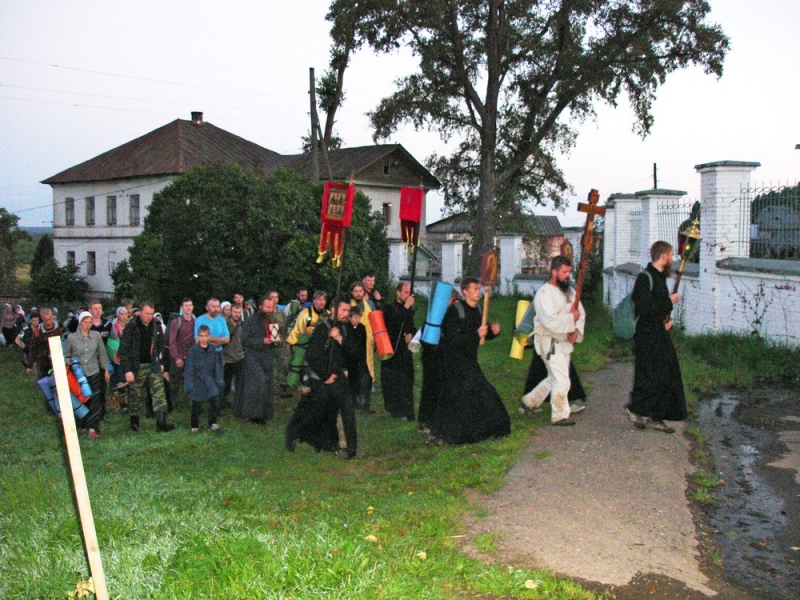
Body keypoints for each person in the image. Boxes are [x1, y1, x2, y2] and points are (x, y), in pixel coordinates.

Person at [431, 277, 510, 444]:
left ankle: (483, 429)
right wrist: (476, 334)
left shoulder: (479, 309)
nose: (478, 292)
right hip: (454, 361)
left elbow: (483, 333)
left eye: (479, 288)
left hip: (470, 360)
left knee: (471, 394)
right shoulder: (456, 311)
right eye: (474, 289)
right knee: (461, 395)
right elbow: (453, 339)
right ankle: (453, 434)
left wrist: (492, 332)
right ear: (465, 291)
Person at [625, 241, 688, 433]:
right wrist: (669, 301)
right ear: (663, 257)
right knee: (650, 374)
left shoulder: (659, 277)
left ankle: (655, 415)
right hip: (647, 334)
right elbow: (644, 307)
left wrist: (665, 320)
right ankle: (635, 408)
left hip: (658, 331)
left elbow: (657, 306)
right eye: (670, 255)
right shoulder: (645, 278)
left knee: (665, 373)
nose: (672, 259)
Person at [285, 298, 357, 458]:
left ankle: (351, 450)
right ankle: (296, 435)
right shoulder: (322, 330)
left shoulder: (346, 330)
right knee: (319, 411)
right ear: (333, 310)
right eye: (343, 310)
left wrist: (339, 340)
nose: (347, 314)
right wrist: (326, 375)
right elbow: (313, 356)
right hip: (322, 378)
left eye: (348, 311)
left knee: (347, 411)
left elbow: (353, 352)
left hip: (340, 377)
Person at [520, 256, 586, 426]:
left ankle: (529, 402)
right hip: (549, 342)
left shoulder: (569, 291)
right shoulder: (544, 294)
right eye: (564, 272)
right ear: (554, 271)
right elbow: (549, 321)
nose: (567, 275)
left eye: (569, 272)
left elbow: (580, 313)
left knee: (553, 378)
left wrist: (576, 331)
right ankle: (560, 415)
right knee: (562, 380)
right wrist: (571, 319)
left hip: (565, 342)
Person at [119, 301, 175, 432]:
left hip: (153, 365)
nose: (149, 316)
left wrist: (161, 363)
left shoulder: (156, 326)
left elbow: (161, 345)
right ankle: (134, 422)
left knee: (159, 393)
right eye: (146, 313)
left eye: (151, 313)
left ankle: (161, 423)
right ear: (140, 313)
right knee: (135, 395)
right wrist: (127, 370)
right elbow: (124, 350)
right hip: (137, 366)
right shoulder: (132, 326)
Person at [65, 311, 110, 439]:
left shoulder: (96, 335)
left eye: (90, 322)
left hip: (94, 371)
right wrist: (68, 360)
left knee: (95, 399)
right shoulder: (72, 338)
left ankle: (93, 428)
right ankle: (82, 423)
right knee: (81, 399)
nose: (88, 325)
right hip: (78, 374)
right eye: (85, 322)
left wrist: (105, 369)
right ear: (80, 322)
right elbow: (67, 354)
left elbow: (102, 353)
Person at [235, 295, 279, 424]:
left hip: (267, 357)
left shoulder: (272, 320)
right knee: (257, 384)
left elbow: (275, 340)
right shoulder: (249, 321)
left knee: (267, 384)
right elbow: (244, 339)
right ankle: (254, 415)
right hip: (252, 356)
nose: (269, 309)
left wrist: (276, 342)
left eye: (271, 307)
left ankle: (265, 413)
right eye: (267, 307)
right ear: (260, 307)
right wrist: (261, 341)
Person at [381, 282, 416, 420]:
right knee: (395, 381)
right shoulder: (390, 308)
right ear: (398, 292)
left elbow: (410, 326)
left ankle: (408, 411)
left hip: (405, 351)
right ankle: (397, 411)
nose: (407, 296)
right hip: (393, 348)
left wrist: (411, 335)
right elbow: (394, 323)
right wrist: (406, 307)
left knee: (407, 380)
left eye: (409, 293)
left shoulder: (409, 309)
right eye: (405, 292)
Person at [184, 324, 224, 433]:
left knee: (215, 401)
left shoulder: (212, 349)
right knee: (196, 404)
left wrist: (219, 379)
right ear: (198, 336)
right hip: (198, 380)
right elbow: (189, 368)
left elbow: (216, 365)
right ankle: (194, 426)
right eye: (201, 336)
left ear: (209, 337)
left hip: (210, 380)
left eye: (205, 336)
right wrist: (189, 384)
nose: (203, 338)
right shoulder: (193, 351)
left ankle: (212, 422)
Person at [342, 305, 373, 413]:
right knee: (352, 383)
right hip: (349, 361)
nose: (357, 320)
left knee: (366, 380)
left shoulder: (362, 328)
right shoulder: (345, 328)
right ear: (350, 317)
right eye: (355, 317)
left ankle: (365, 404)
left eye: (359, 317)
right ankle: (352, 402)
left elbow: (363, 344)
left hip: (360, 360)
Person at [349, 281, 375, 408]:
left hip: (368, 343)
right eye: (356, 291)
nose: (358, 294)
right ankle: (354, 400)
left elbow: (376, 321)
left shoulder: (370, 304)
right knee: (353, 374)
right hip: (353, 346)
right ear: (351, 293)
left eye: (360, 291)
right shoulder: (348, 306)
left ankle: (365, 401)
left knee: (367, 374)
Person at [168, 298, 196, 409]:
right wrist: (176, 358)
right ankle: (172, 404)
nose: (188, 307)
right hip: (178, 356)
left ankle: (193, 403)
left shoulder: (196, 321)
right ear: (182, 307)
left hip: (191, 356)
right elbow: (172, 341)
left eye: (190, 305)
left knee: (192, 380)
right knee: (175, 382)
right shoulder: (176, 322)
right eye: (186, 305)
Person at [267, 290, 292, 398]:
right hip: (268, 345)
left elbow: (285, 330)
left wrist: (287, 345)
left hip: (280, 343)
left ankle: (283, 389)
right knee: (269, 368)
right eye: (272, 297)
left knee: (283, 366)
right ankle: (269, 390)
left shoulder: (281, 313)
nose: (275, 299)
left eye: (276, 297)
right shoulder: (266, 312)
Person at [222, 302, 245, 408]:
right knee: (225, 383)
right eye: (235, 312)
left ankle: (239, 403)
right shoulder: (224, 324)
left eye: (238, 312)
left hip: (239, 357)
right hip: (226, 358)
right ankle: (223, 402)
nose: (237, 314)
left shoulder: (242, 324)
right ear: (230, 312)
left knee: (240, 382)